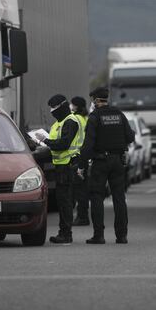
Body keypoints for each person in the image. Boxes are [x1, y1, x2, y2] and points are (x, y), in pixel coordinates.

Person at [78, 86, 135, 244]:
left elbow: (88, 145)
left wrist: (81, 166)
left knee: (97, 197)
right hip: (117, 161)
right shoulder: (119, 114)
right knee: (119, 198)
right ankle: (122, 236)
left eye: (92, 100)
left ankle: (99, 235)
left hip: (100, 162)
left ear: (96, 100)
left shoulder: (94, 117)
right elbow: (130, 137)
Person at [36, 94, 82, 244]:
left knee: (65, 201)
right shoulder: (59, 123)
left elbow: (64, 144)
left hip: (68, 166)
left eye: (54, 108)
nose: (52, 111)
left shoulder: (71, 121)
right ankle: (63, 232)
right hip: (61, 165)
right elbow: (55, 145)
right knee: (62, 201)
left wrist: (46, 141)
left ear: (62, 106)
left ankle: (66, 234)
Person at [70, 96, 90, 226]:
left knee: (77, 190)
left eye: (72, 104)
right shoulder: (85, 119)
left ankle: (82, 217)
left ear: (76, 106)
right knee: (82, 189)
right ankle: (83, 216)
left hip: (75, 157)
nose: (70, 107)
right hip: (84, 157)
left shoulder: (75, 119)